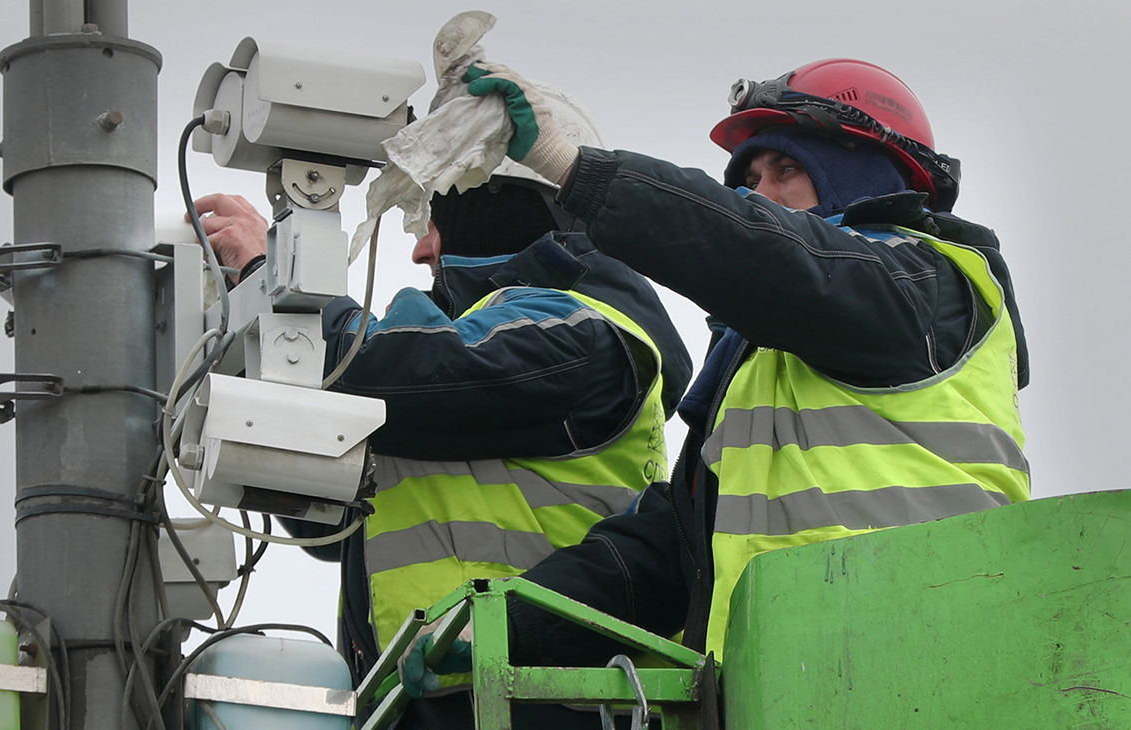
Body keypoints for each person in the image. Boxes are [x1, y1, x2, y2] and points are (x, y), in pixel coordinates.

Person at [405, 57, 1030, 675]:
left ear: (864, 176)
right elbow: (668, 552)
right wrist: (501, 624)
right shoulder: (765, 372)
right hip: (793, 690)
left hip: (925, 670)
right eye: (749, 180)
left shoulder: (927, 285)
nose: (759, 193)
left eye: (786, 168)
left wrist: (570, 167)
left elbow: (769, 255)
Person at [193, 82, 693, 728]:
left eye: (436, 218)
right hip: (447, 702)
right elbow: (336, 525)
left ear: (498, 204)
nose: (422, 248)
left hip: (547, 705)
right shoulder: (468, 364)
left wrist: (278, 280)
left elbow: (403, 368)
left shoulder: (585, 331)